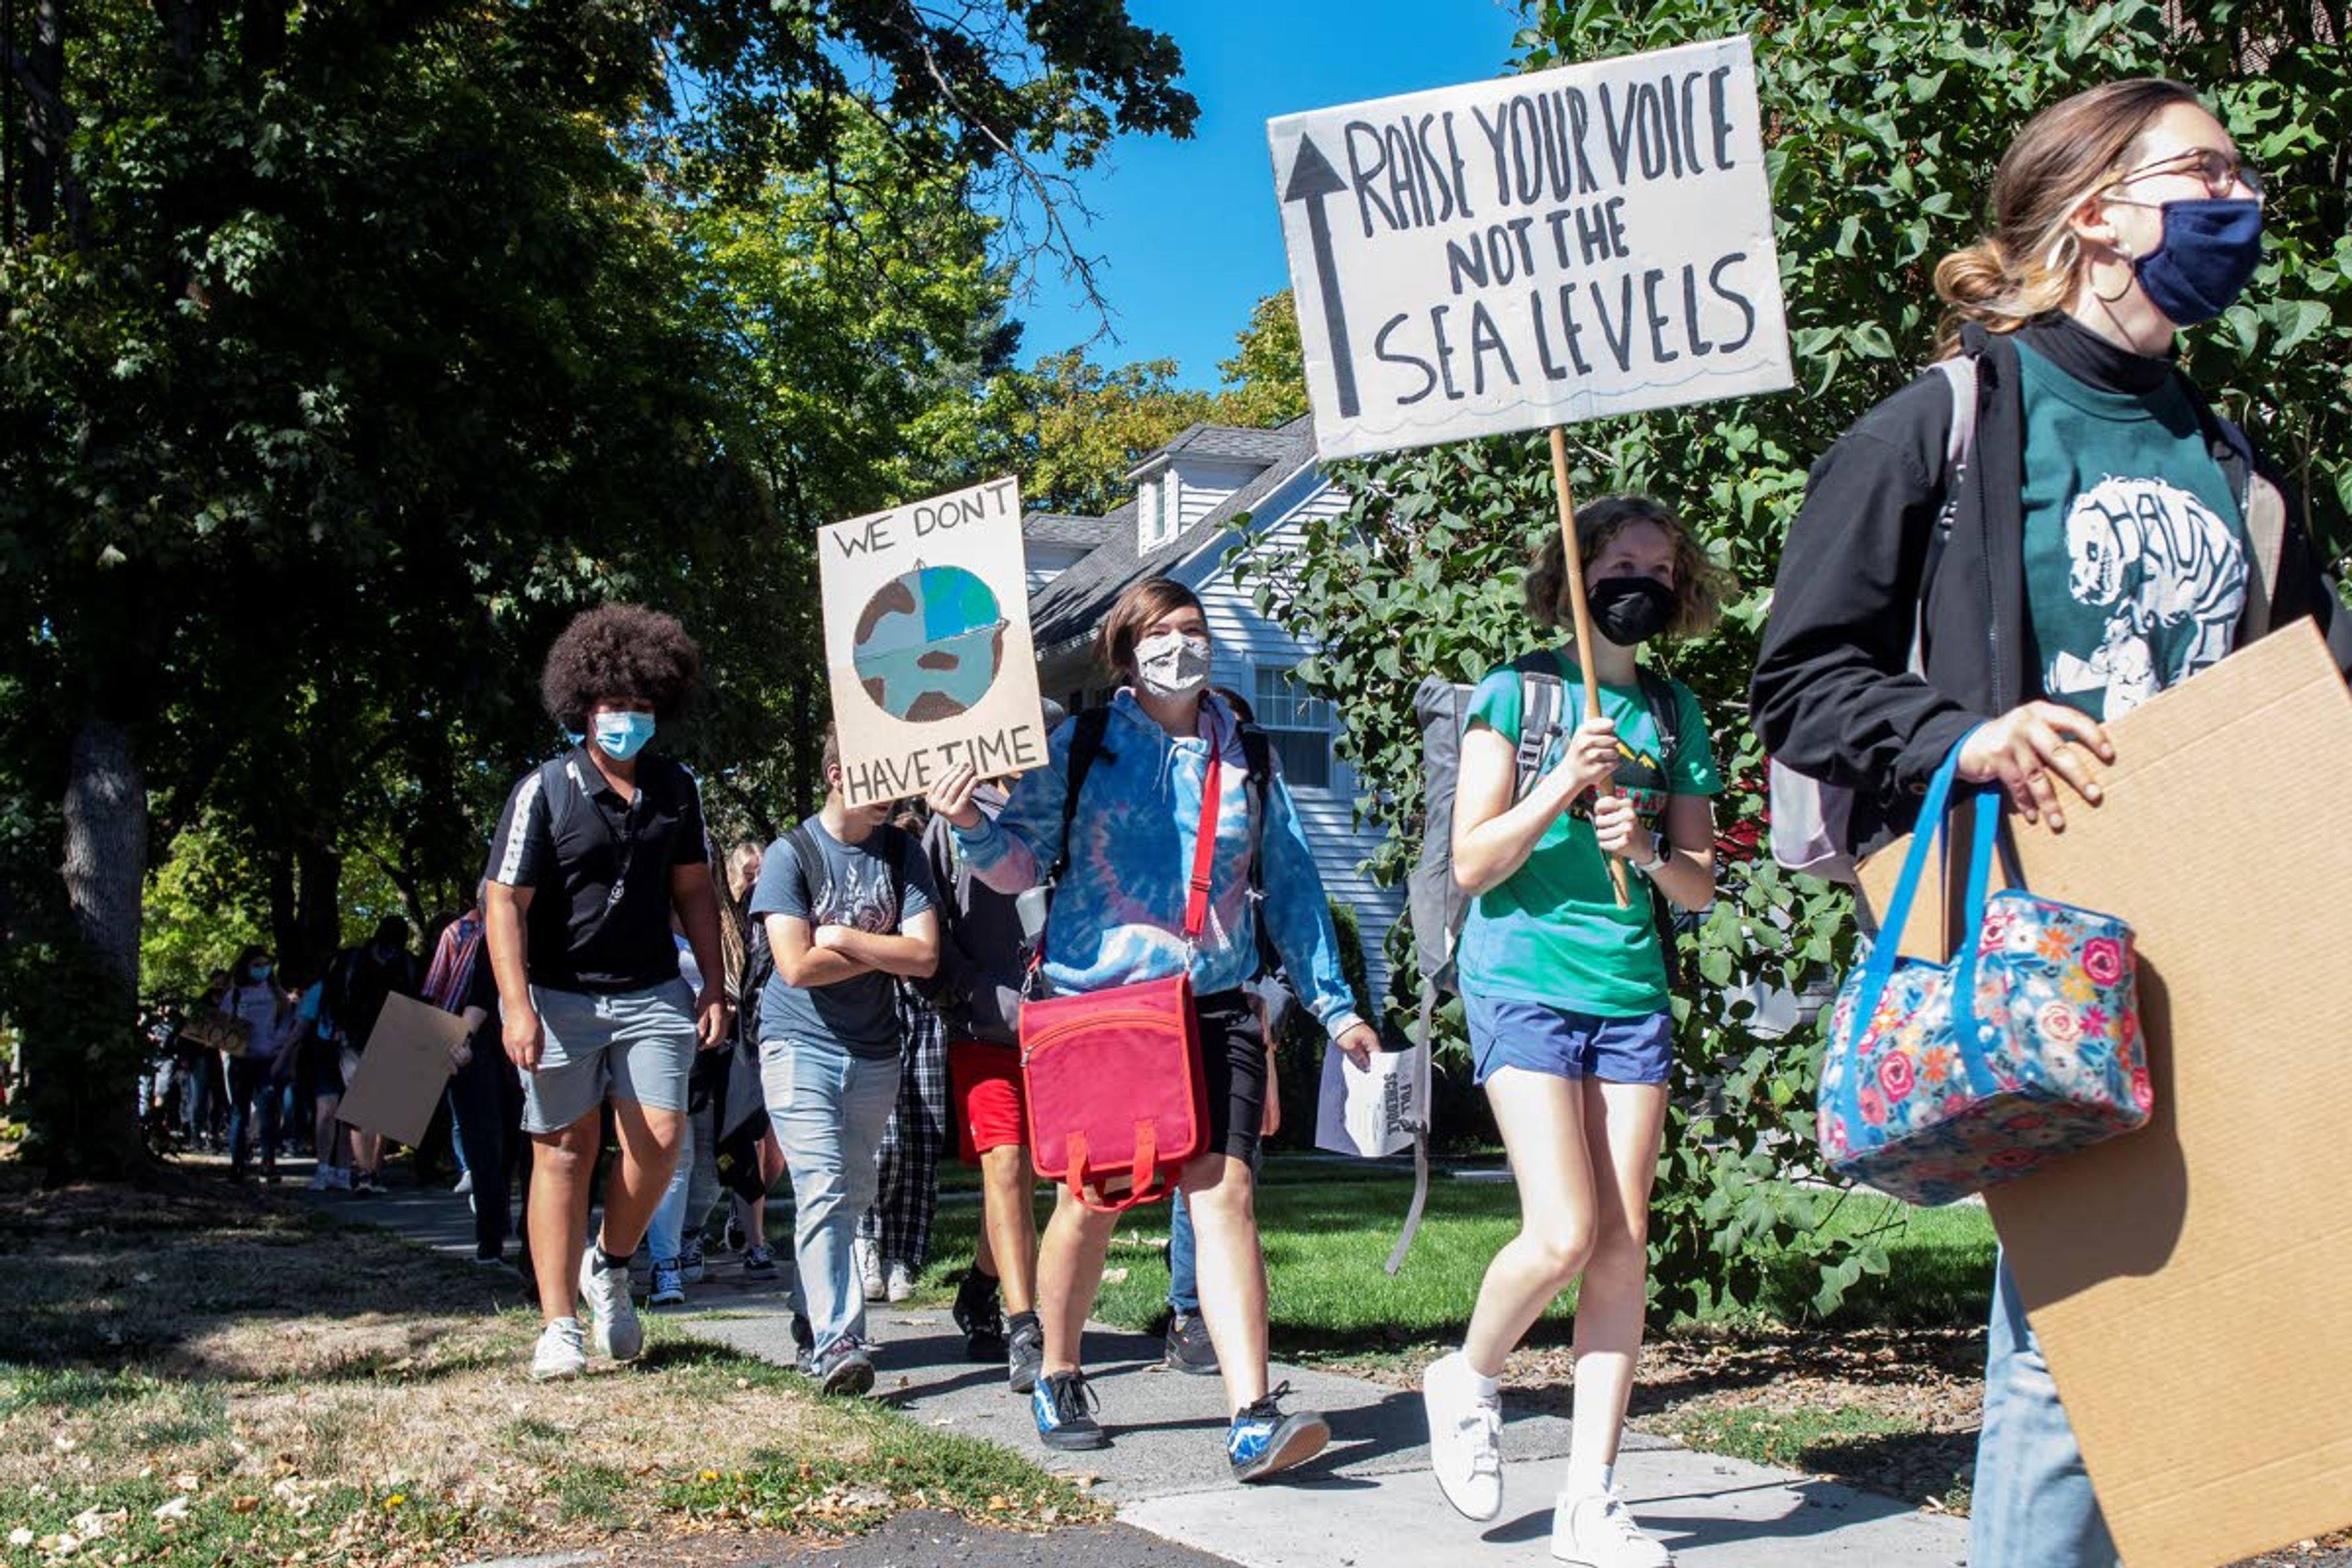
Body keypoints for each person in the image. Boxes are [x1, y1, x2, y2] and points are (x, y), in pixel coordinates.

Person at [1749, 81, 2348, 1568]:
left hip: (2236, 938)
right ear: (2091, 214)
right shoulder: (1943, 423)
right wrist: (1962, 733)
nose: (2237, 199)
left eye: (2238, 168)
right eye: (2197, 171)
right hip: (2052, 940)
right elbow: (1801, 680)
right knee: (2082, 1337)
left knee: (2231, 1312)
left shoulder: (2244, 467)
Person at [929, 576, 1380, 1484]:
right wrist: (972, 822)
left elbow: (1287, 881)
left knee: (1226, 1200)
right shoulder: (1086, 743)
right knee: (1090, 1204)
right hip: (1107, 1009)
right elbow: (1019, 866)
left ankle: (1252, 1413)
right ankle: (1059, 1372)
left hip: (1216, 1002)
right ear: (1125, 655)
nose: (1184, 644)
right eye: (1163, 633)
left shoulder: (1245, 747)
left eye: (1194, 629)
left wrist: (1338, 1007)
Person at [1422, 496, 1725, 1568]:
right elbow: (1471, 864)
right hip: (1522, 981)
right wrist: (1563, 780)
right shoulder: (1517, 693)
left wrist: (1642, 843)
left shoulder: (1678, 716)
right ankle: (1469, 1374)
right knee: (1561, 1230)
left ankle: (1591, 1498)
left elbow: (1696, 887)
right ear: (1576, 572)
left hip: (1628, 988)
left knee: (1619, 1242)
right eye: (1620, 562)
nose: (1641, 578)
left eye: (1660, 565)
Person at [483, 602, 729, 1382]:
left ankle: (612, 1263)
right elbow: (503, 903)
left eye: (643, 708)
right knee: (562, 1151)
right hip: (558, 995)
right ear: (583, 708)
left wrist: (717, 982)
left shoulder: (676, 790)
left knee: (660, 1141)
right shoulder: (543, 792)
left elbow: (696, 891)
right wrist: (516, 1004)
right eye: (615, 706)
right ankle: (558, 1323)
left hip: (654, 989)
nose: (629, 719)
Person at [749, 726, 940, 1395]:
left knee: (852, 1191)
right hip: (797, 1042)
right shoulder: (789, 855)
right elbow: (795, 966)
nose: (892, 789)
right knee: (826, 1185)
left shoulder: (903, 853)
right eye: (877, 773)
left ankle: (811, 1319)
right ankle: (840, 1341)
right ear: (836, 773)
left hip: (876, 1049)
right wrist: (882, 945)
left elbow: (925, 957)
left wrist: (846, 935)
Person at [929, 701, 1064, 1392]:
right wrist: (970, 991)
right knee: (1004, 1165)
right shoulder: (951, 815)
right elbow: (928, 923)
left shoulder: (1067, 807)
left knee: (1040, 1177)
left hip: (1065, 1029)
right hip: (985, 1028)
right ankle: (1024, 1326)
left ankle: (981, 1285)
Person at [1163, 686, 1288, 1379]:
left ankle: (1245, 1391)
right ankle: (1058, 1361)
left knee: (1221, 1183)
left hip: (1241, 1005)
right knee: (1095, 1200)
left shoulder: (1260, 832)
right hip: (1159, 1005)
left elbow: (1287, 926)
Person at [856, 804, 952, 1306]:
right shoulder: (864, 874)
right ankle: (866, 1239)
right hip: (878, 1006)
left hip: (928, 1006)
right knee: (884, 1136)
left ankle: (905, 1254)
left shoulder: (927, 875)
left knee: (923, 1137)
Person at [324, 917, 421, 1193]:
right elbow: (334, 996)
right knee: (364, 1109)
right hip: (357, 1038)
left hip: (393, 1038)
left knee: (384, 1110)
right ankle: (366, 1171)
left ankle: (373, 1171)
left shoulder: (406, 963)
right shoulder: (355, 961)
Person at [219, 946, 297, 1183]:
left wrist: (278, 1044)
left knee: (267, 1112)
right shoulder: (234, 995)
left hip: (267, 1060)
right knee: (239, 1113)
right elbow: (222, 1026)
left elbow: (287, 1021)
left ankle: (268, 1161)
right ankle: (237, 1163)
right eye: (257, 965)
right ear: (247, 967)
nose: (263, 969)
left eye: (266, 964)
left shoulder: (275, 992)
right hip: (241, 1060)